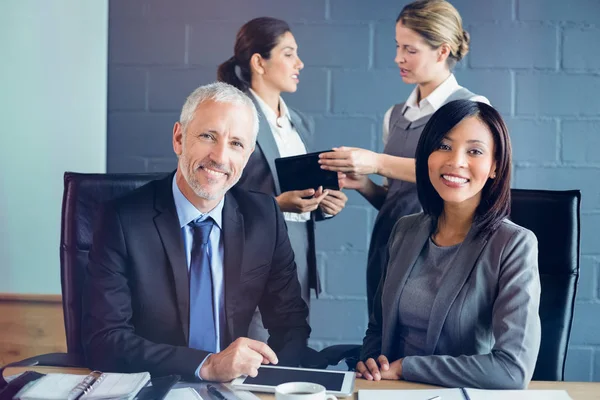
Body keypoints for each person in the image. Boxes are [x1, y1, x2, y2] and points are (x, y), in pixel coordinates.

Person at [81, 82, 311, 382]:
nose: (219, 157)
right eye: (208, 136)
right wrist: (207, 365)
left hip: (235, 389)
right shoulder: (122, 220)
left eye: (236, 144)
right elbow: (105, 341)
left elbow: (291, 323)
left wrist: (271, 381)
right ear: (179, 138)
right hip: (153, 385)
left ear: (248, 155)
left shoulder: (264, 217)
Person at [318, 0, 489, 315]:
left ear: (441, 51)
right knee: (380, 348)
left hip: (438, 253)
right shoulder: (394, 116)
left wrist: (378, 161)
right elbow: (397, 200)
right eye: (398, 47)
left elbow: (459, 175)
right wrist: (365, 184)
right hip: (388, 247)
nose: (399, 58)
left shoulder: (471, 108)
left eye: (410, 50)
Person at [356, 100, 541, 389]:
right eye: (443, 146)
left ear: (494, 166)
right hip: (388, 392)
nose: (455, 161)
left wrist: (408, 368)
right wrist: (371, 361)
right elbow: (378, 328)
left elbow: (512, 370)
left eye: (475, 151)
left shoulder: (514, 244)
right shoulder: (405, 229)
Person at [217, 17, 348, 341]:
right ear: (259, 62)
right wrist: (275, 205)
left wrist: (322, 204)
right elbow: (214, 195)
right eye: (289, 53)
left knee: (290, 352)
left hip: (296, 257)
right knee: (252, 359)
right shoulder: (235, 115)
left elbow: (295, 194)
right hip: (249, 259)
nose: (299, 63)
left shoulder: (298, 124)